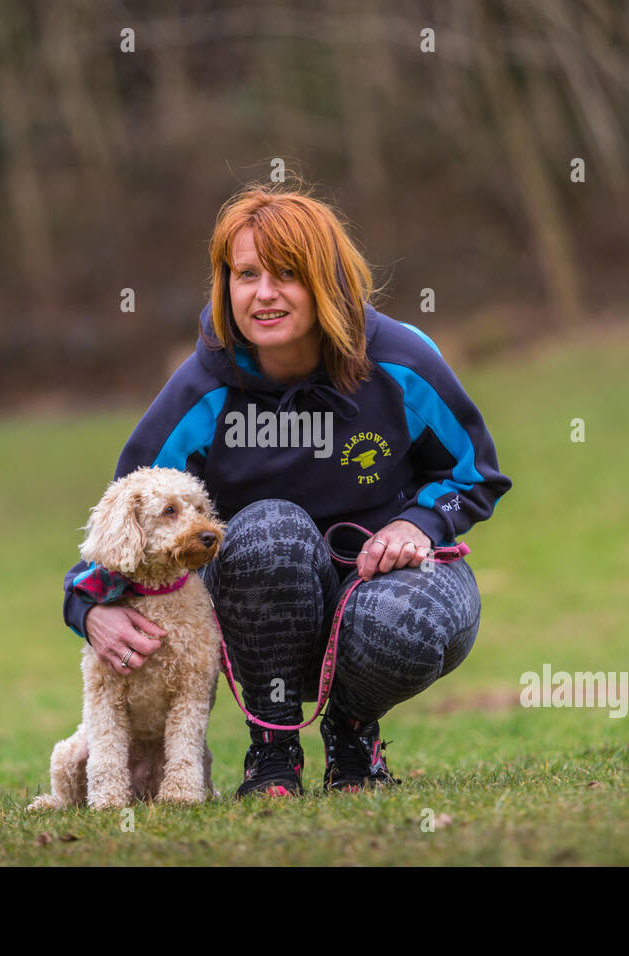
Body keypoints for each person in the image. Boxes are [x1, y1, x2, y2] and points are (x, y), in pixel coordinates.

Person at [62, 181, 512, 797]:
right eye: (246, 275)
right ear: (225, 287)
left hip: (384, 591)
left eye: (287, 274)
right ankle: (272, 751)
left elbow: (475, 475)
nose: (264, 294)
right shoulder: (201, 389)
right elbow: (123, 518)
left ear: (328, 281)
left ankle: (354, 735)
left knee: (411, 621)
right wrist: (87, 609)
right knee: (269, 525)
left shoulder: (402, 361)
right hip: (259, 608)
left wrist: (420, 524)